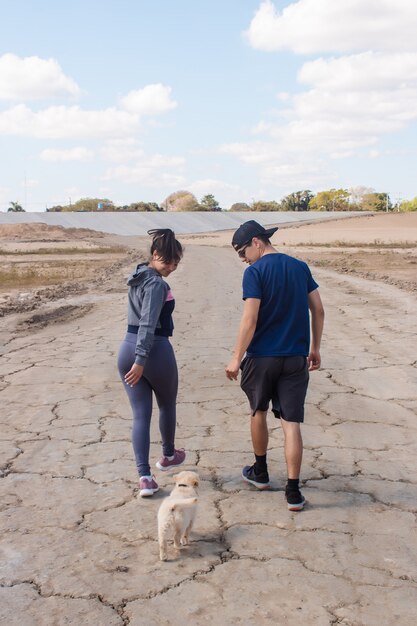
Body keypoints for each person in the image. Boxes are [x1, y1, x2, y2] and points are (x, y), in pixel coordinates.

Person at [225, 220, 324, 511]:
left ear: (257, 242)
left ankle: (261, 473)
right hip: (295, 357)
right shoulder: (299, 267)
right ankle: (293, 493)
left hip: (262, 357)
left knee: (258, 411)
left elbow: (250, 319)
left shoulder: (255, 272)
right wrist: (314, 348)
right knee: (291, 422)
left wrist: (235, 357)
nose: (242, 259)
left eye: (242, 252)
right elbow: (317, 309)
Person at [118, 229, 186, 497]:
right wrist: (141, 360)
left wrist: (135, 358)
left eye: (176, 263)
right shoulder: (156, 284)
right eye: (168, 262)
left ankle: (144, 477)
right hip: (153, 350)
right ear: (156, 255)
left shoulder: (138, 274)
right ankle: (168, 456)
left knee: (140, 415)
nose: (172, 267)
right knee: (167, 404)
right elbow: (148, 323)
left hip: (126, 347)